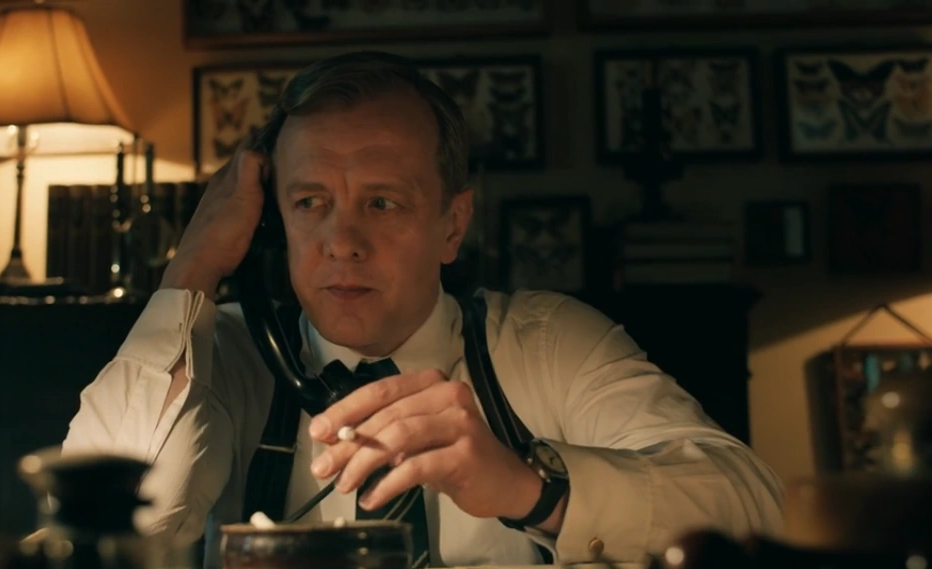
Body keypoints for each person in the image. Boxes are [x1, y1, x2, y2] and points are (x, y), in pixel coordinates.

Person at [61, 51, 785, 568]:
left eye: (382, 203)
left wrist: (531, 489)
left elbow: (752, 505)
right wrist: (191, 268)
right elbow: (96, 529)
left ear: (452, 224)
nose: (342, 242)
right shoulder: (222, 353)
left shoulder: (550, 341)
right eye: (310, 203)